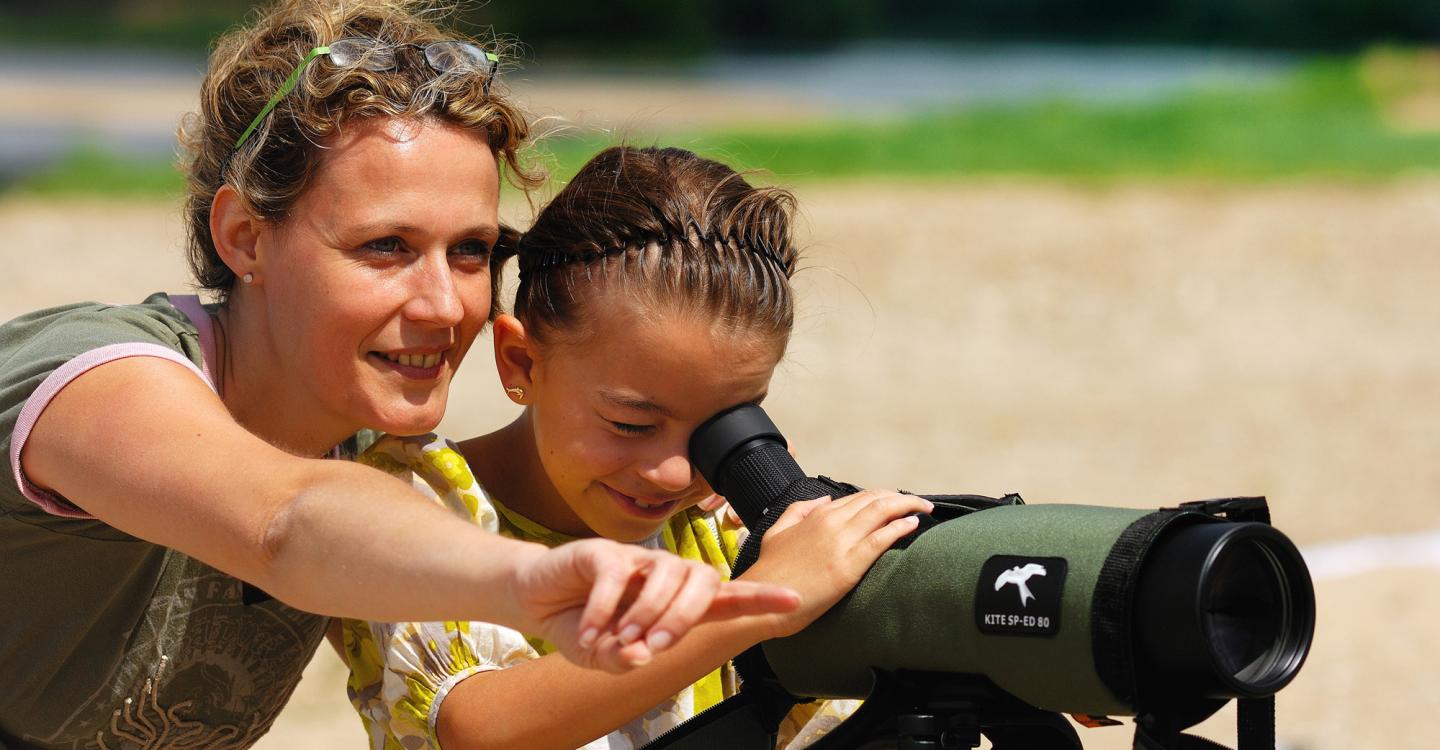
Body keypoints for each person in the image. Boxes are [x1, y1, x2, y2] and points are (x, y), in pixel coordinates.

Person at [0, 4, 796, 748]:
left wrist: (693, 463)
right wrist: (529, 579)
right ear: (245, 238)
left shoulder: (362, 436)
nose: (446, 305)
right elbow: (283, 522)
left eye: (472, 251)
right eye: (385, 247)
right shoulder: (91, 377)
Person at [342, 145, 932, 749]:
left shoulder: (716, 527)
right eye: (631, 424)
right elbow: (480, 728)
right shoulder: (413, 500)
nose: (676, 475)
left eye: (722, 428)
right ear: (521, 360)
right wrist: (752, 606)